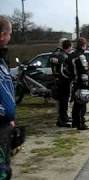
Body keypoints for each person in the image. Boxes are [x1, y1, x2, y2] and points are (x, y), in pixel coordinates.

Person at [0, 15, 15, 180]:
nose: (10, 37)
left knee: (4, 170)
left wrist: (9, 116)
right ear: (2, 35)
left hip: (4, 124)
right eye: (10, 33)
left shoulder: (2, 59)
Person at [70, 38, 89, 130]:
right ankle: (81, 123)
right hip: (81, 82)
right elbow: (84, 70)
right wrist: (88, 84)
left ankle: (75, 122)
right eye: (86, 44)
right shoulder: (81, 56)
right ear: (83, 45)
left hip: (73, 82)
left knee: (76, 103)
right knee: (82, 103)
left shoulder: (71, 55)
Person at [50, 39, 73, 127]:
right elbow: (63, 71)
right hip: (63, 81)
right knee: (64, 101)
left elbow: (53, 67)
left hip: (57, 80)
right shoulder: (63, 56)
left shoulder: (54, 54)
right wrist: (70, 77)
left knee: (61, 101)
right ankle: (62, 120)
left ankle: (64, 117)